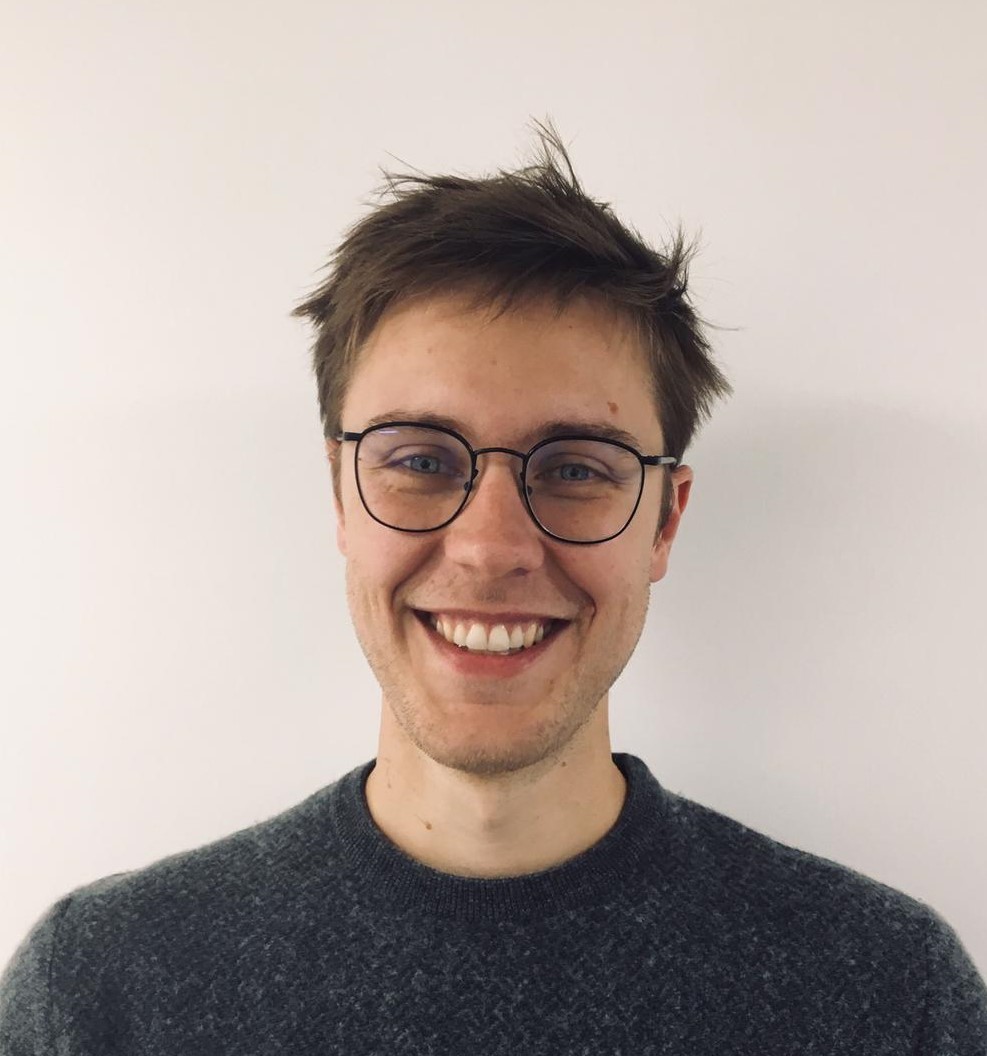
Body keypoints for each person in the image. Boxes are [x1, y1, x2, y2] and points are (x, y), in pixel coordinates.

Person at [1, 125, 984, 1055]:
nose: (489, 548)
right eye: (421, 460)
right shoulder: (103, 993)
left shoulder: (886, 997)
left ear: (665, 522)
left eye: (577, 467)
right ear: (340, 495)